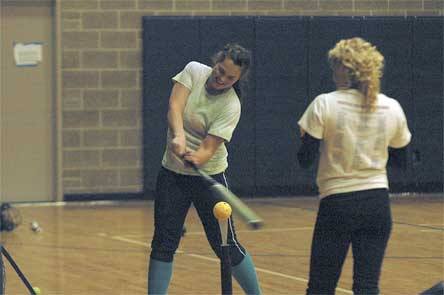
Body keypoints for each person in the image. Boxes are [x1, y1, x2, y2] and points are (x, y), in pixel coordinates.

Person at [298, 37, 411, 295]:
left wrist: (306, 140)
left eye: (334, 66)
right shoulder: (391, 107)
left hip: (338, 204)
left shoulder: (325, 103)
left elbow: (305, 161)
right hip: (377, 205)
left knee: (320, 287)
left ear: (343, 69)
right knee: (367, 287)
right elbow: (402, 162)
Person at [147, 43, 262, 295]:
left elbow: (208, 149)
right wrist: (178, 136)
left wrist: (195, 158)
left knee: (225, 245)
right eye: (220, 70)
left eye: (230, 77)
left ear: (239, 78)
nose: (221, 79)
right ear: (216, 61)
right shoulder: (194, 71)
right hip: (172, 175)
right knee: (163, 244)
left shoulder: (232, 106)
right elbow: (175, 106)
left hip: (209, 177)